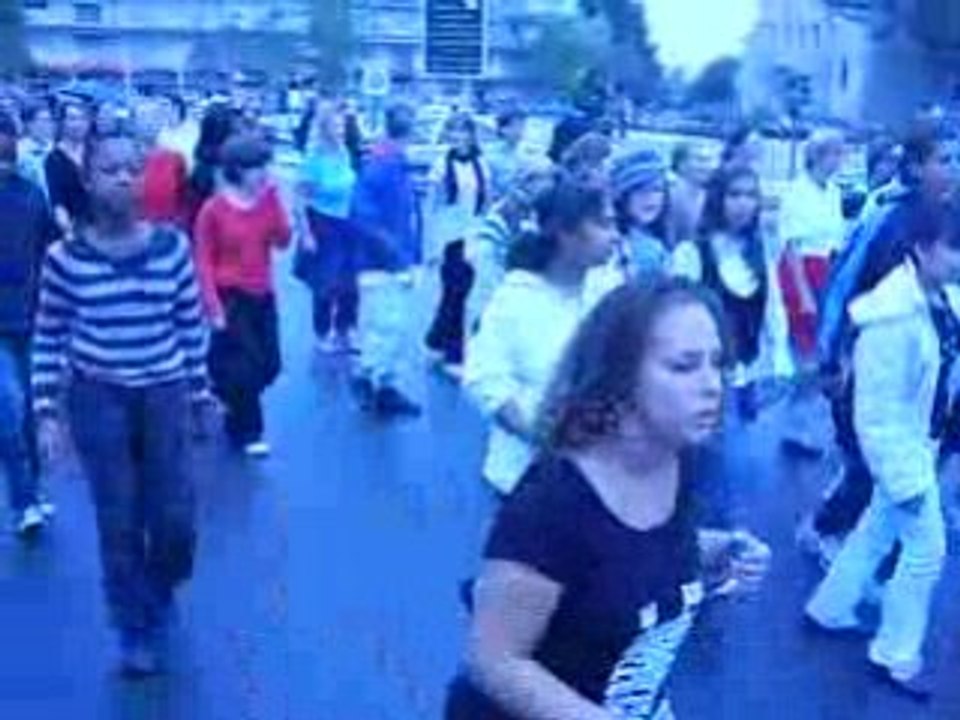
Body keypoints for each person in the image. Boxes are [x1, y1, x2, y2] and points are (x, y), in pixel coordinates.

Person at [447, 277, 772, 720]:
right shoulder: (554, 503)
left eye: (717, 364)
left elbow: (636, 553)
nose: (712, 384)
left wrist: (715, 552)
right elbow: (493, 659)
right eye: (683, 366)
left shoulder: (682, 460)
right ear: (621, 377)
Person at [31, 131, 211, 677]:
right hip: (98, 396)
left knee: (174, 520)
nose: (124, 177)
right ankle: (133, 628)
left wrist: (201, 393)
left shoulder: (171, 249)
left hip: (163, 393)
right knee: (119, 518)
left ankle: (160, 585)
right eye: (110, 169)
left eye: (133, 168)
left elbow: (189, 323)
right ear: (88, 180)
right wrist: (44, 412)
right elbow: (49, 332)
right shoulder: (66, 259)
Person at [804, 199, 960, 702]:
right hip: (904, 451)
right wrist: (907, 479)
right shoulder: (893, 316)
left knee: (876, 530)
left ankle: (830, 609)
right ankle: (896, 654)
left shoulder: (940, 297)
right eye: (954, 248)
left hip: (923, 440)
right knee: (926, 551)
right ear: (920, 249)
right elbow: (875, 415)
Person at [464, 176, 616, 498]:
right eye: (602, 225)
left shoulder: (609, 289)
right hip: (524, 479)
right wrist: (542, 435)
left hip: (600, 477)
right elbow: (484, 379)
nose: (613, 236)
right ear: (565, 233)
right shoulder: (516, 298)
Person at [194, 134, 291, 457]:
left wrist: (274, 202)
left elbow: (282, 241)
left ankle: (224, 389)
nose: (262, 173)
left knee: (270, 365)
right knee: (246, 368)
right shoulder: (214, 209)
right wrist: (212, 306)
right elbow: (203, 260)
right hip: (231, 295)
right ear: (237, 170)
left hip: (262, 293)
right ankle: (248, 432)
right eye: (255, 167)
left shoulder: (267, 201)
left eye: (265, 165)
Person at [673, 166, 790, 421]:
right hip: (704, 378)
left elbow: (773, 309)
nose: (743, 204)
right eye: (734, 195)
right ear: (718, 199)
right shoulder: (692, 253)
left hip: (749, 375)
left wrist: (781, 359)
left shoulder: (759, 251)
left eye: (750, 196)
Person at [0, 114, 58, 538]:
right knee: (10, 410)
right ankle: (23, 501)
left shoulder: (31, 195)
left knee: (29, 412)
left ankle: (33, 492)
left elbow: (50, 249)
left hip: (29, 316)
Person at [349, 103, 423, 418]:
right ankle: (367, 379)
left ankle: (385, 384)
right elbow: (365, 219)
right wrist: (397, 254)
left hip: (396, 259)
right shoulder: (382, 166)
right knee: (384, 326)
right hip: (380, 263)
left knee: (398, 328)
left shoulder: (394, 164)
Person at [777, 130, 847, 454]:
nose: (839, 160)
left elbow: (835, 241)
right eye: (833, 153)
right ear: (817, 155)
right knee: (806, 354)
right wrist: (803, 292)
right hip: (801, 272)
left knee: (821, 353)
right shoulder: (796, 191)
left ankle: (797, 420)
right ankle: (793, 424)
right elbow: (791, 246)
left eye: (841, 154)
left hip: (827, 272)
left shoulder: (833, 191)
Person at [424, 112, 490, 374]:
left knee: (459, 292)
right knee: (457, 292)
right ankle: (454, 353)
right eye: (453, 132)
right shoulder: (441, 166)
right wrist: (432, 245)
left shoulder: (480, 165)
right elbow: (432, 205)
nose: (459, 137)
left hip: (471, 234)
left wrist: (483, 233)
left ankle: (436, 339)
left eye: (464, 131)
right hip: (448, 236)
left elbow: (485, 201)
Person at [295, 99, 360, 354]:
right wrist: (306, 234)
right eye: (335, 126)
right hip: (323, 224)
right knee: (325, 283)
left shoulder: (344, 153)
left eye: (343, 125)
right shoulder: (314, 159)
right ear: (324, 128)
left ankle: (346, 330)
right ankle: (322, 333)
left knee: (350, 282)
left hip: (348, 224)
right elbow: (299, 200)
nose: (341, 130)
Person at [465, 165, 556, 335]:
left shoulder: (532, 208)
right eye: (544, 182)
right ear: (529, 182)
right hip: (494, 266)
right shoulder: (511, 208)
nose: (548, 187)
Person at [609, 149, 672, 280]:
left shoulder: (656, 239)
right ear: (622, 197)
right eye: (640, 190)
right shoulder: (614, 242)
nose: (649, 198)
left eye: (656, 190)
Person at [45, 99, 93, 237]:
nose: (78, 124)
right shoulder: (54, 159)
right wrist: (70, 232)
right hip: (74, 227)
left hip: (103, 226)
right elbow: (58, 204)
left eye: (83, 118)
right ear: (63, 122)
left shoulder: (97, 151)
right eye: (72, 118)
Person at [669, 142, 712, 244]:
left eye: (709, 160)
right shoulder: (671, 195)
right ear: (681, 164)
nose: (706, 166)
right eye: (700, 160)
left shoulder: (707, 196)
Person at [486, 109, 528, 201]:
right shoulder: (490, 155)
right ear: (503, 129)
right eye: (517, 126)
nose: (521, 131)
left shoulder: (522, 153)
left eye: (523, 126)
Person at [18, 100, 54, 199]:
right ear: (29, 124)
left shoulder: (54, 148)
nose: (47, 125)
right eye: (43, 121)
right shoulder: (19, 151)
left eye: (49, 120)